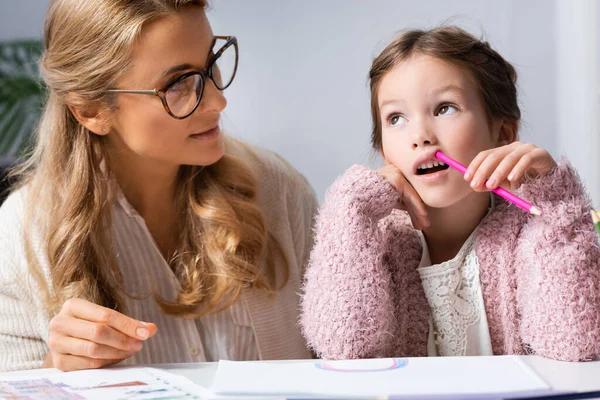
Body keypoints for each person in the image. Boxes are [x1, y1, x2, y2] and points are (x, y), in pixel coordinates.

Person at [0, 0, 317, 372]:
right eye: (178, 84)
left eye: (210, 62)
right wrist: (56, 370)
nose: (218, 100)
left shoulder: (278, 192)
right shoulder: (20, 236)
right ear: (90, 111)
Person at [301, 26, 600, 362]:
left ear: (502, 133)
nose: (420, 136)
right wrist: (350, 210)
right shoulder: (371, 237)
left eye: (445, 108)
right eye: (396, 118)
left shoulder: (532, 230)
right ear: (385, 153)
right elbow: (342, 348)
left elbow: (576, 345)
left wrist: (556, 205)